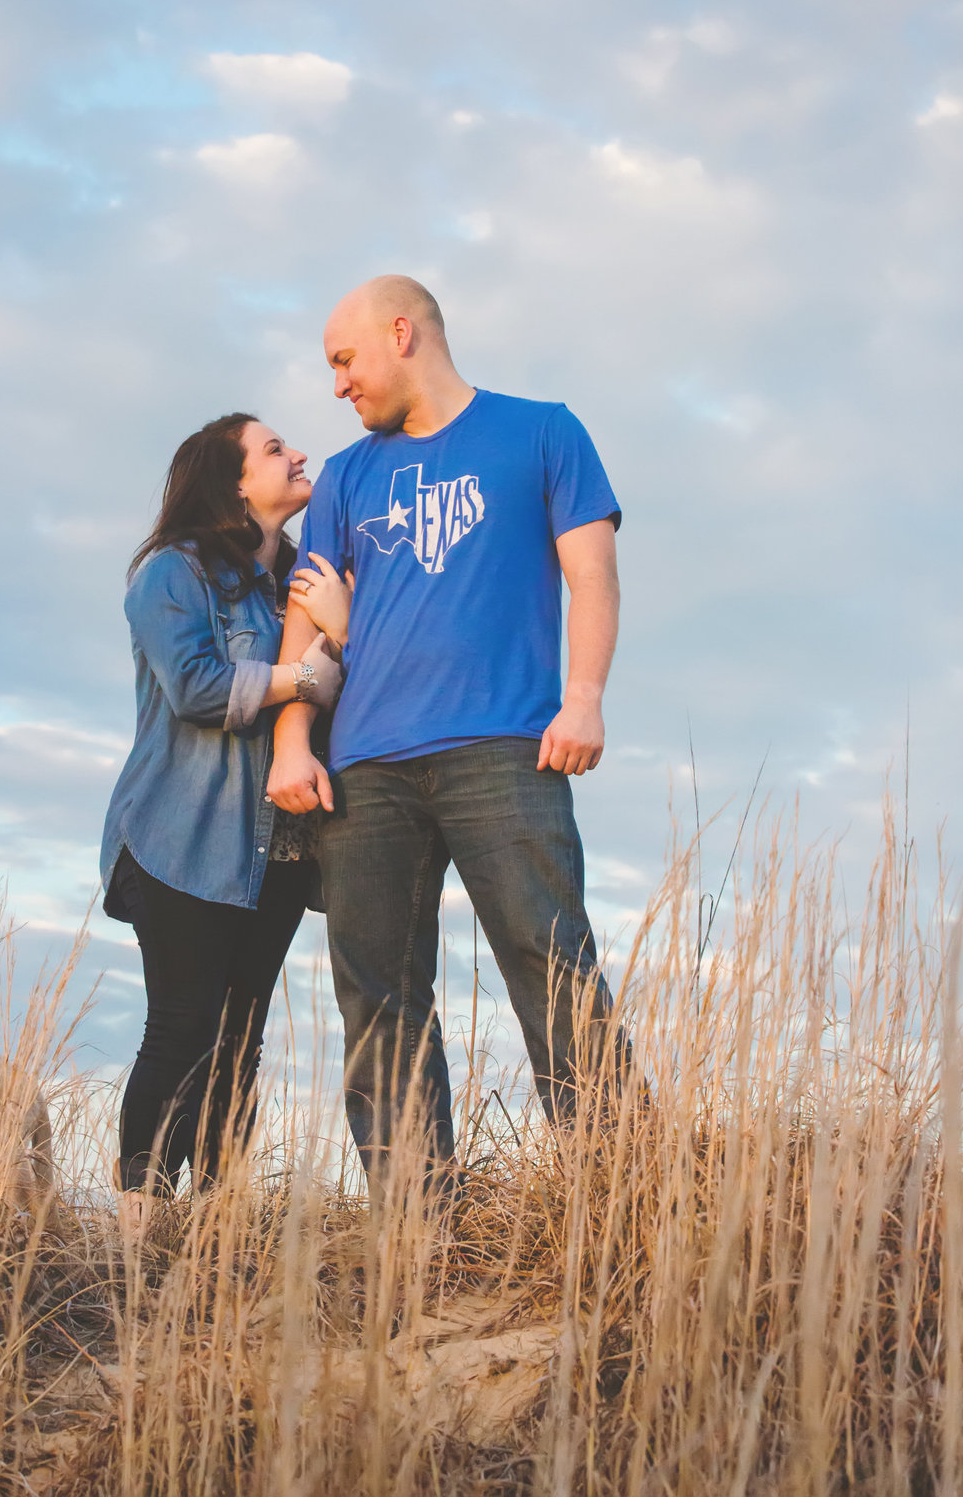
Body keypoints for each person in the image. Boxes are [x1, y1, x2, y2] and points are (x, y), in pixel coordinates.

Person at [270, 276, 626, 1187]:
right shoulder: (349, 476)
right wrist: (291, 742)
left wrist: (582, 696)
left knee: (549, 959)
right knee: (378, 999)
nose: (338, 386)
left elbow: (591, 574)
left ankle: (625, 1190)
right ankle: (414, 1224)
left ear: (402, 333)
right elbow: (304, 623)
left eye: (344, 361)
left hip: (505, 746)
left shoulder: (542, 431)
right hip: (364, 771)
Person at [100, 413, 341, 1209]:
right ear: (232, 482)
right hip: (183, 833)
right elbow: (200, 689)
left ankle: (214, 1223)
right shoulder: (174, 573)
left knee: (241, 1042)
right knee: (183, 1028)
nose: (299, 452)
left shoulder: (308, 582)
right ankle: (141, 1223)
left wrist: (338, 632)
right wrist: (303, 678)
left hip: (279, 846)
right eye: (275, 448)